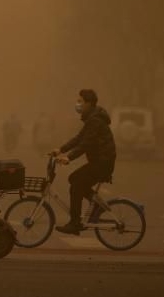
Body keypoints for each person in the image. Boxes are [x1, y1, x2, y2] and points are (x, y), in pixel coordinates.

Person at [51, 89, 116, 235]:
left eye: (80, 101)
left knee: (76, 185)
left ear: (89, 103)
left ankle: (75, 223)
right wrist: (60, 149)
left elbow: (86, 144)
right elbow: (79, 138)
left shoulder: (95, 120)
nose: (77, 104)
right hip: (100, 162)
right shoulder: (92, 118)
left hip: (103, 163)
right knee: (74, 179)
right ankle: (97, 206)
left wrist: (69, 157)